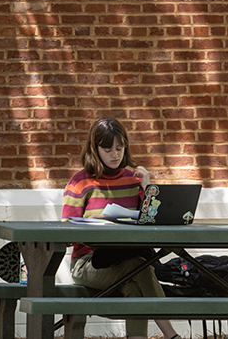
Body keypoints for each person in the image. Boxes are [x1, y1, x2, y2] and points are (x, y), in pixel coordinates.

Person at [63, 117, 179, 339]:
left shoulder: (133, 179)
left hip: (125, 257)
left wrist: (148, 188)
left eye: (119, 147)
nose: (115, 154)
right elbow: (65, 235)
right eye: (107, 149)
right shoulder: (80, 182)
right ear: (95, 149)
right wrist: (95, 221)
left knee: (135, 284)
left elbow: (152, 220)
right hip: (87, 262)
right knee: (140, 268)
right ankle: (172, 335)